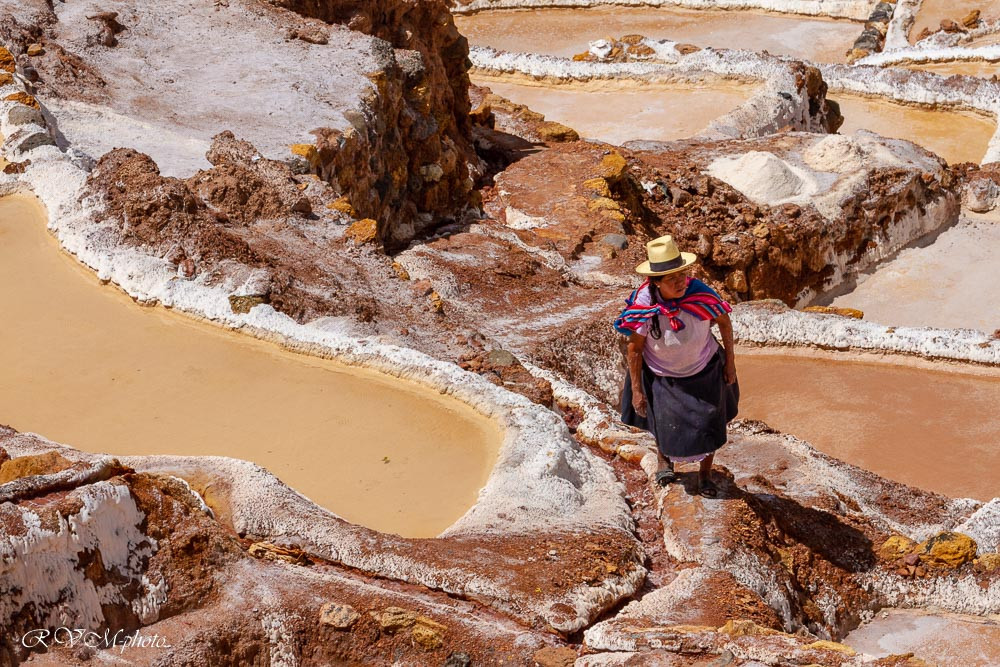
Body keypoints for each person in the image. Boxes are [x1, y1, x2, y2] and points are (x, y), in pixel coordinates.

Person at [614, 235, 739, 498]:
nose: (681, 282)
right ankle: (664, 463)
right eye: (671, 279)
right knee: (662, 422)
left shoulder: (700, 294)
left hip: (705, 368)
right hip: (662, 374)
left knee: (709, 423)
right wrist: (636, 389)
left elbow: (724, 323)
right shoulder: (644, 304)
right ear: (656, 282)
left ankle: (705, 474)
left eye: (682, 274)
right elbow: (635, 348)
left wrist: (730, 363)